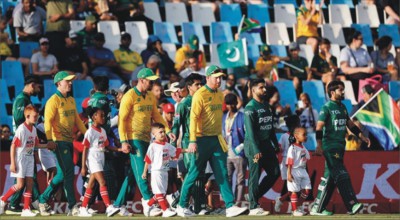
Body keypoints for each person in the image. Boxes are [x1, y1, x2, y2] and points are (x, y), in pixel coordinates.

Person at [175, 65, 248, 217]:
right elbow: (193, 119)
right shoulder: (199, 95)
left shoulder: (220, 94)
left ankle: (230, 206)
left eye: (221, 77)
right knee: (194, 173)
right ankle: (181, 205)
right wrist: (193, 141)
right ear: (207, 78)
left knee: (221, 173)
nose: (219, 80)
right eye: (216, 77)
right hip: (200, 140)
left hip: (216, 139)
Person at [116, 68, 175, 217]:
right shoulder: (129, 96)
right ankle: (148, 202)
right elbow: (122, 120)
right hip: (133, 138)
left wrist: (167, 131)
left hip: (146, 138)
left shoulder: (149, 96)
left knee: (133, 173)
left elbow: (156, 116)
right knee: (142, 172)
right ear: (141, 80)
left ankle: (117, 205)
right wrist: (124, 141)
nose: (152, 83)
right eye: (150, 80)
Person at [310, 80, 370, 216]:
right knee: (342, 174)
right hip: (329, 146)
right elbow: (319, 127)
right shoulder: (326, 108)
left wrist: (362, 136)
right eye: (340, 90)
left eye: (343, 89)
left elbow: (350, 125)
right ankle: (352, 204)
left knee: (330, 177)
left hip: (340, 147)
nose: (343, 92)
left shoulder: (342, 107)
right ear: (332, 92)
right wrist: (319, 145)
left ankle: (318, 207)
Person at [38, 71, 87, 216]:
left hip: (68, 141)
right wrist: (50, 140)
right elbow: (48, 122)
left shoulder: (70, 100)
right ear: (59, 83)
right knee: (68, 172)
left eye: (71, 81)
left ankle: (43, 198)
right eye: (67, 81)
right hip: (58, 141)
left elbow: (77, 120)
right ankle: (73, 206)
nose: (70, 83)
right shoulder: (53, 101)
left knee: (61, 174)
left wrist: (87, 134)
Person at [0, 105, 54, 217]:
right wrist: (13, 163)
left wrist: (47, 145)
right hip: (20, 158)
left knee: (30, 183)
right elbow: (13, 146)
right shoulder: (21, 129)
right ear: (27, 116)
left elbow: (36, 144)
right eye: (35, 116)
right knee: (20, 185)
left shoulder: (34, 129)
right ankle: (3, 200)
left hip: (30, 158)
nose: (36, 118)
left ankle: (26, 209)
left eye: (37, 116)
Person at [244, 79, 280, 216]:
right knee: (255, 176)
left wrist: (275, 144)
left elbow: (270, 128)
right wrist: (256, 150)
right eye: (261, 88)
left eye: (264, 87)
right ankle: (253, 206)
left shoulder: (266, 106)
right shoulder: (249, 108)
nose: (264, 90)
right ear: (253, 90)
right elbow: (251, 132)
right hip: (254, 145)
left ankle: (254, 195)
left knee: (275, 172)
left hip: (266, 144)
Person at [78, 107, 121, 217]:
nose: (104, 118)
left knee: (91, 184)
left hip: (101, 158)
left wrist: (119, 149)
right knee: (102, 182)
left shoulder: (103, 131)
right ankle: (109, 206)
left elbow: (107, 146)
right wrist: (83, 166)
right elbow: (85, 149)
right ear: (94, 117)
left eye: (104, 116)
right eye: (101, 116)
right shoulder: (90, 132)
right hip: (93, 158)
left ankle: (83, 208)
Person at [9, 75, 42, 213]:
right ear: (32, 85)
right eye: (39, 86)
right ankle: (36, 203)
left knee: (27, 178)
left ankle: (22, 204)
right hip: (21, 144)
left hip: (25, 143)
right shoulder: (22, 100)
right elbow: (18, 119)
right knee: (28, 177)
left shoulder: (25, 99)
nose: (39, 89)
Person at [142, 123, 182, 217]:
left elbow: (176, 151)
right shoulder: (152, 146)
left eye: (164, 131)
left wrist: (188, 150)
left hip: (165, 171)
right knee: (159, 192)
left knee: (161, 193)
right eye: (160, 132)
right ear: (154, 135)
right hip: (156, 171)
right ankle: (165, 210)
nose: (163, 134)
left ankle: (147, 205)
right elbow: (148, 160)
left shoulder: (167, 145)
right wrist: (144, 172)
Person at [222, 93, 246, 206]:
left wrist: (241, 147)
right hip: (226, 153)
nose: (230, 106)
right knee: (227, 179)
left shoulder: (243, 117)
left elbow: (249, 135)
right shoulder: (223, 118)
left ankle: (238, 203)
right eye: (228, 104)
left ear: (236, 103)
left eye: (232, 103)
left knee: (240, 180)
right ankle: (229, 203)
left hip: (239, 154)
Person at [274, 115, 300, 213]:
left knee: (293, 187)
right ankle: (292, 207)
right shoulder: (285, 136)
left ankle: (284, 202)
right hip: (288, 163)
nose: (300, 125)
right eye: (298, 123)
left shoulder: (299, 135)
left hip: (297, 163)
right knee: (293, 187)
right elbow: (279, 148)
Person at [340, 30, 375, 99]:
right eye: (361, 39)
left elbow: (370, 62)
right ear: (354, 40)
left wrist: (370, 68)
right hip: (353, 75)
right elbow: (345, 69)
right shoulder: (345, 51)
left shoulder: (363, 51)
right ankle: (362, 98)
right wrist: (363, 69)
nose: (362, 41)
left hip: (365, 72)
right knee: (362, 76)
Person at [286, 127, 312, 216]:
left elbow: (307, 157)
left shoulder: (303, 147)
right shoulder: (292, 148)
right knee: (294, 191)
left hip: (303, 170)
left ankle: (299, 206)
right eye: (304, 135)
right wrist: (289, 173)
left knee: (307, 190)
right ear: (296, 136)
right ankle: (294, 210)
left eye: (306, 135)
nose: (306, 137)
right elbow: (289, 161)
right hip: (294, 170)